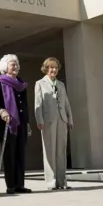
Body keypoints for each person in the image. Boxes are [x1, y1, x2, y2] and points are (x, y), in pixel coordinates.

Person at [0, 54, 32, 195]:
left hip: (21, 122)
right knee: (9, 153)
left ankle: (20, 184)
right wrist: (1, 111)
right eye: (12, 64)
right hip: (7, 123)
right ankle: (11, 185)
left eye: (17, 64)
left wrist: (27, 122)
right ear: (5, 67)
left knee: (20, 152)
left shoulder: (21, 84)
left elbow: (25, 105)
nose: (15, 66)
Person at [34, 57, 73, 190]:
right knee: (50, 151)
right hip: (48, 121)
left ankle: (62, 182)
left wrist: (70, 119)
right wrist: (39, 120)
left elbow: (66, 103)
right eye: (51, 67)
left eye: (55, 67)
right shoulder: (39, 83)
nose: (53, 70)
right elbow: (37, 104)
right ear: (46, 69)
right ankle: (51, 182)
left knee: (61, 151)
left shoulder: (61, 84)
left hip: (62, 120)